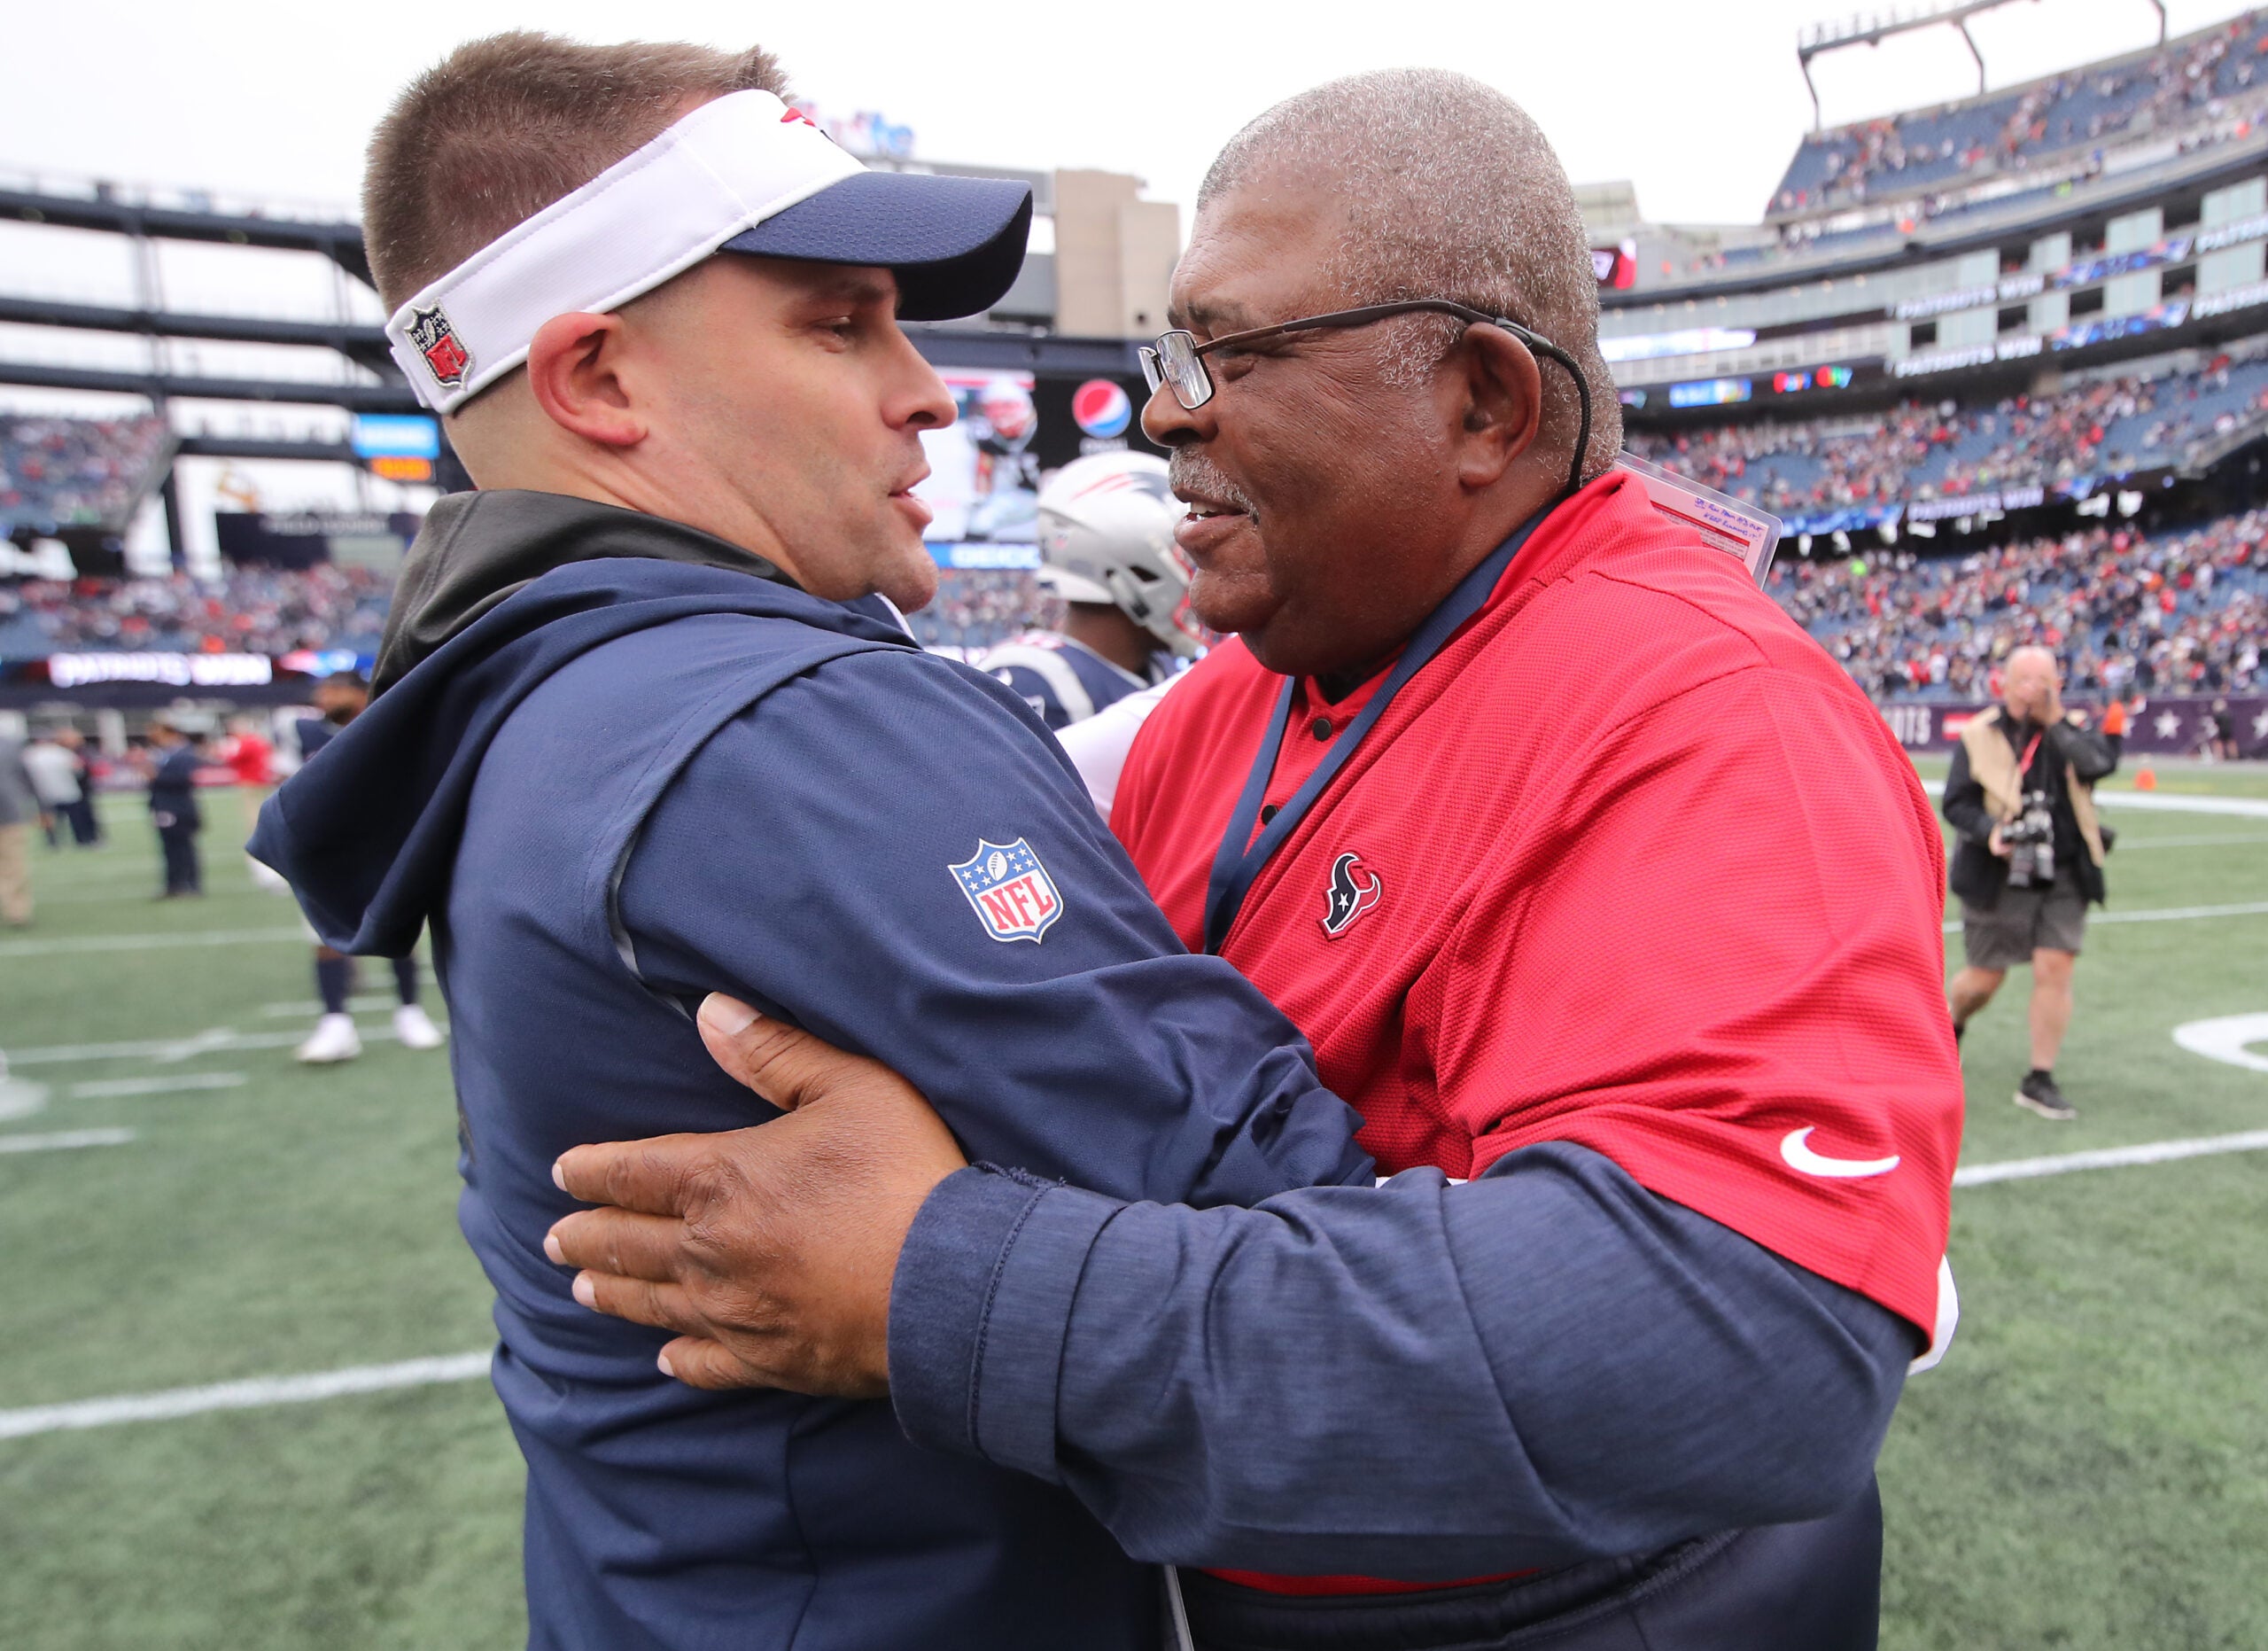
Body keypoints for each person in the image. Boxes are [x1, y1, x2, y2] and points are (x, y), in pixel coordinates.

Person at [548, 71, 1963, 1651]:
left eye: (1226, 350)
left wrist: (941, 1283)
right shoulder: (1244, 691)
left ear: (1481, 404)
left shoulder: (1709, 708)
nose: (1163, 409)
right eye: (1168, 352)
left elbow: (1735, 1347)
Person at [250, 34, 1375, 1649]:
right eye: (839, 323)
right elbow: (1301, 1243)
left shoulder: (553, 695)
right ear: (599, 381)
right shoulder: (796, 722)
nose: (924, 387)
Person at [1945, 645, 2124, 1120]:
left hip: (2065, 869)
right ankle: (1952, 1022)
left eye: (2044, 681)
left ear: (2058, 686)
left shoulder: (2070, 731)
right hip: (1999, 872)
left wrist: (2056, 722)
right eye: (2024, 680)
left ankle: (2038, 1077)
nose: (2033, 691)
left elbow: (2099, 765)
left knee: (2055, 967)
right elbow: (1956, 804)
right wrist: (1993, 832)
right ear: (2002, 684)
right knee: (1984, 979)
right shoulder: (1980, 734)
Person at [289, 673, 445, 1063]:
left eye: (333, 690)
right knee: (324, 939)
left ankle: (409, 1011)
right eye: (322, 692)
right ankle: (336, 1022)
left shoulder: (390, 727)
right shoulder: (302, 733)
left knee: (399, 933)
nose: (325, 698)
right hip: (327, 850)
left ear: (360, 693)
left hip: (386, 847)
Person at [979, 450, 1196, 726]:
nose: (1198, 577)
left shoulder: (1158, 669)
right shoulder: (1033, 679)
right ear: (1136, 572)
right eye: (1188, 560)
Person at [145, 720, 204, 899]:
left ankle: (190, 884)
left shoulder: (184, 754)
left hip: (179, 808)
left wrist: (156, 777)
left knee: (184, 847)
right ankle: (174, 884)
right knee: (169, 848)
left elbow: (183, 780)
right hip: (164, 807)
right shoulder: (163, 754)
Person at [20, 728, 87, 851]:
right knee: (74, 819)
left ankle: (53, 842)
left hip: (44, 793)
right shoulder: (63, 753)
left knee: (50, 820)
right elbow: (78, 771)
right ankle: (80, 840)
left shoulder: (30, 755)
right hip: (67, 791)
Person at [0, 728, 36, 924]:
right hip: (11, 814)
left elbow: (26, 777)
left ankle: (17, 912)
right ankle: (17, 911)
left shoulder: (10, 744)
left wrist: (42, 806)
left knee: (14, 866)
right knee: (14, 866)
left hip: (9, 815)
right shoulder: (10, 744)